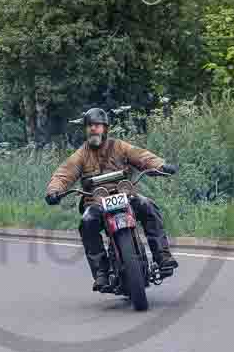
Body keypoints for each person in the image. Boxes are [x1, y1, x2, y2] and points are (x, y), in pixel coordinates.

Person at [45, 108, 178, 291]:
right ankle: (101, 272)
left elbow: (142, 156)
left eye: (97, 125)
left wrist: (161, 165)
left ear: (105, 128)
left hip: (126, 196)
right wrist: (54, 190)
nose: (93, 129)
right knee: (87, 222)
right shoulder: (80, 155)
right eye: (90, 126)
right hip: (96, 203)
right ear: (85, 129)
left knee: (148, 206)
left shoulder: (119, 146)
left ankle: (162, 256)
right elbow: (63, 174)